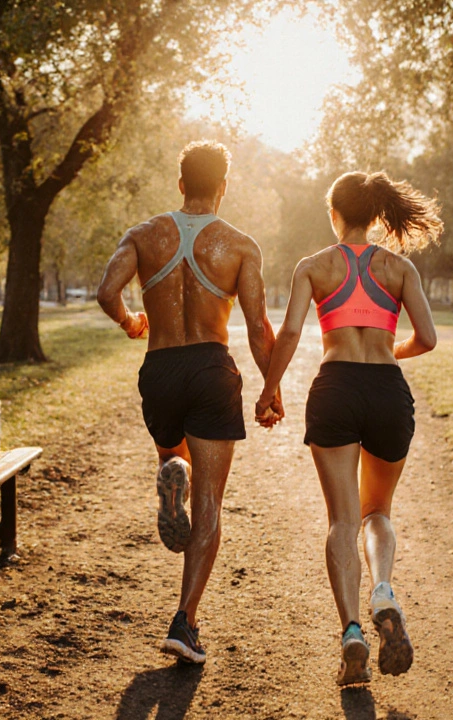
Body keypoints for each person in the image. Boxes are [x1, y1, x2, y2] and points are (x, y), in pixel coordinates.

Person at [96, 140, 280, 665]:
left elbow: (108, 291)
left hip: (161, 369)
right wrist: (270, 389)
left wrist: (132, 322)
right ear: (223, 187)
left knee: (173, 454)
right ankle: (185, 621)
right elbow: (256, 327)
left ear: (180, 185)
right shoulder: (240, 245)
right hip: (210, 368)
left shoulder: (143, 235)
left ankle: (172, 468)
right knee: (210, 506)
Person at [254, 171, 441, 686]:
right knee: (377, 512)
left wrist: (270, 390)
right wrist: (387, 353)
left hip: (334, 389)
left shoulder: (314, 267)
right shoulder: (399, 268)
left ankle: (352, 634)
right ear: (376, 215)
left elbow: (291, 331)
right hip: (386, 392)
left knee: (342, 521)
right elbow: (426, 337)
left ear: (333, 213)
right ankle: (384, 590)